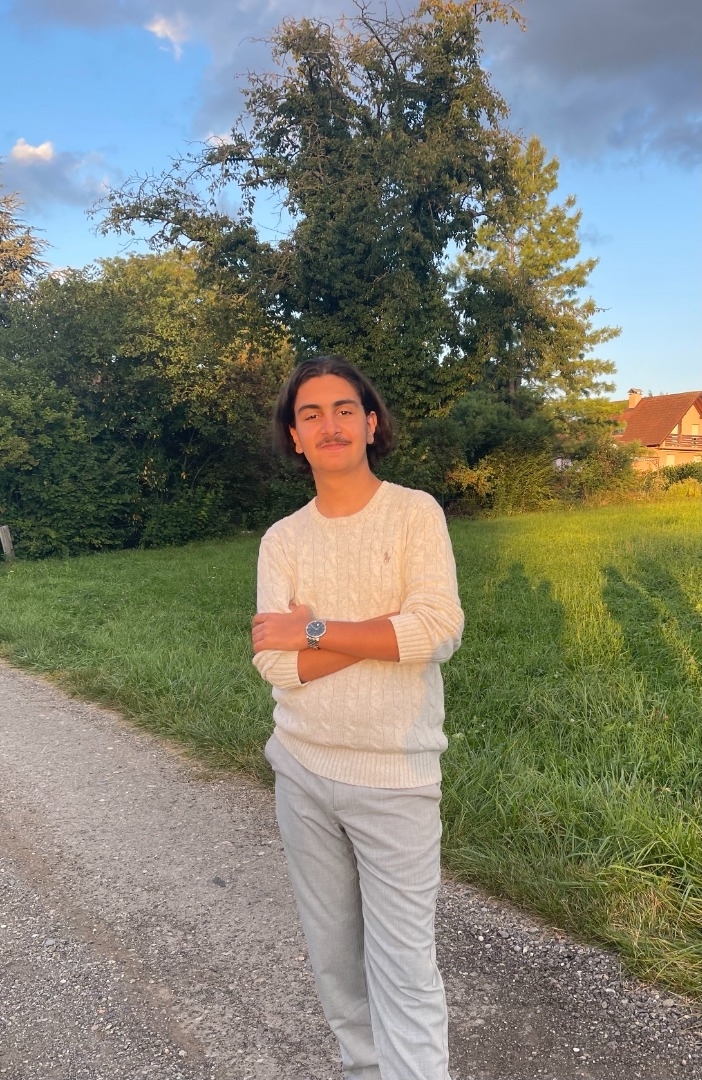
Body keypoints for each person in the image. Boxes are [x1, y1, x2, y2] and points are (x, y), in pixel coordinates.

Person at [251, 355, 464, 1080]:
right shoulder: (282, 540)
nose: (330, 424)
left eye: (344, 409)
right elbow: (275, 666)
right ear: (295, 436)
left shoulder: (414, 513)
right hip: (302, 772)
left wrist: (313, 630)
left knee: (404, 969)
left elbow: (437, 631)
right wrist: (382, 631)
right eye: (310, 414)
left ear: (371, 424)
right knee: (337, 963)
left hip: (395, 777)